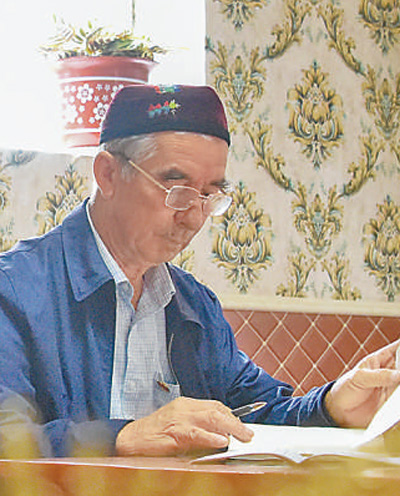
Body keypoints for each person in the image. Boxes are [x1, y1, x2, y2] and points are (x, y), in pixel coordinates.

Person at [0, 84, 399, 458]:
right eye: (177, 190)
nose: (194, 217)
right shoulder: (15, 290)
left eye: (210, 196)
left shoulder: (193, 304)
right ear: (107, 174)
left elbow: (255, 414)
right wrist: (122, 437)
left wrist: (332, 405)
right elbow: (7, 435)